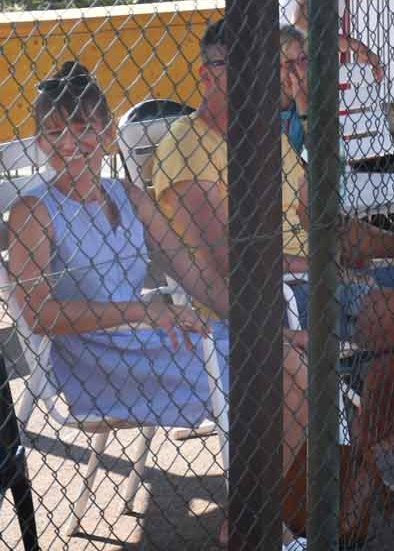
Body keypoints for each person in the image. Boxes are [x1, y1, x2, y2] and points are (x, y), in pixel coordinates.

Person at [152, 20, 394, 510]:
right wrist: (327, 267)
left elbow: (330, 222)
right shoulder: (186, 146)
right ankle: (367, 468)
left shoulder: (264, 137)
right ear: (207, 75)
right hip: (286, 294)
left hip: (336, 277)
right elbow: (232, 261)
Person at [6, 62, 311, 546]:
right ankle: (260, 523)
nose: (71, 143)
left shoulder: (127, 195)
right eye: (56, 132)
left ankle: (250, 514)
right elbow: (40, 315)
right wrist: (145, 312)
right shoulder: (32, 212)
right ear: (42, 142)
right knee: (271, 375)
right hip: (94, 360)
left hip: (154, 341)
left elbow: (196, 276)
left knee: (292, 361)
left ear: (108, 132)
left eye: (84, 128)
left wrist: (261, 327)